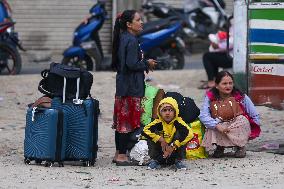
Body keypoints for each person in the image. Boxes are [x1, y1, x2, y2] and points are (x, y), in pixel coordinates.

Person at [111, 10, 157, 166]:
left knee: (121, 123)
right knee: (126, 123)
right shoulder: (130, 40)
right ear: (129, 24)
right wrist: (147, 64)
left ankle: (119, 153)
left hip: (123, 86)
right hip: (130, 87)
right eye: (138, 20)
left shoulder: (124, 38)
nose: (142, 22)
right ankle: (123, 156)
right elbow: (131, 64)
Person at [199, 71, 261, 158]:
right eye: (224, 83)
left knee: (242, 120)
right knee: (211, 125)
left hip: (236, 124)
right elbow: (203, 116)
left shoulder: (241, 96)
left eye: (230, 83)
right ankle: (220, 147)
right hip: (219, 124)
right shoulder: (210, 97)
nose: (228, 86)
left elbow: (254, 114)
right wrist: (216, 125)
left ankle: (240, 146)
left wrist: (253, 130)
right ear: (217, 85)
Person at [142, 97, 193, 170]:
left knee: (183, 133)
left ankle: (177, 161)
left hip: (174, 148)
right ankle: (156, 161)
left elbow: (190, 134)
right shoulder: (158, 121)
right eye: (164, 110)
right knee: (152, 133)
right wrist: (160, 139)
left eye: (170, 110)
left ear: (175, 111)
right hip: (161, 149)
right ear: (159, 112)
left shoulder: (178, 121)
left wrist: (174, 145)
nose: (167, 113)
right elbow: (144, 130)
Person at [198, 20, 233, 89]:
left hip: (232, 58)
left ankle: (211, 82)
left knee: (207, 56)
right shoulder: (234, 26)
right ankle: (214, 79)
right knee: (212, 55)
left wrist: (218, 46)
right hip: (231, 55)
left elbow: (231, 43)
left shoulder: (236, 27)